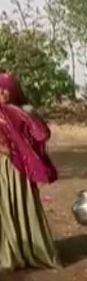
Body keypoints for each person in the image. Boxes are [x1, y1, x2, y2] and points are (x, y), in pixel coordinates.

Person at [0, 73, 61, 270]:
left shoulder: (26, 111)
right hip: (2, 166)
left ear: (15, 89)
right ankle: (10, 252)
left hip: (19, 168)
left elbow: (41, 135)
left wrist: (19, 144)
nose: (1, 92)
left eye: (5, 88)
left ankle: (30, 248)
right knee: (4, 209)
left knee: (21, 204)